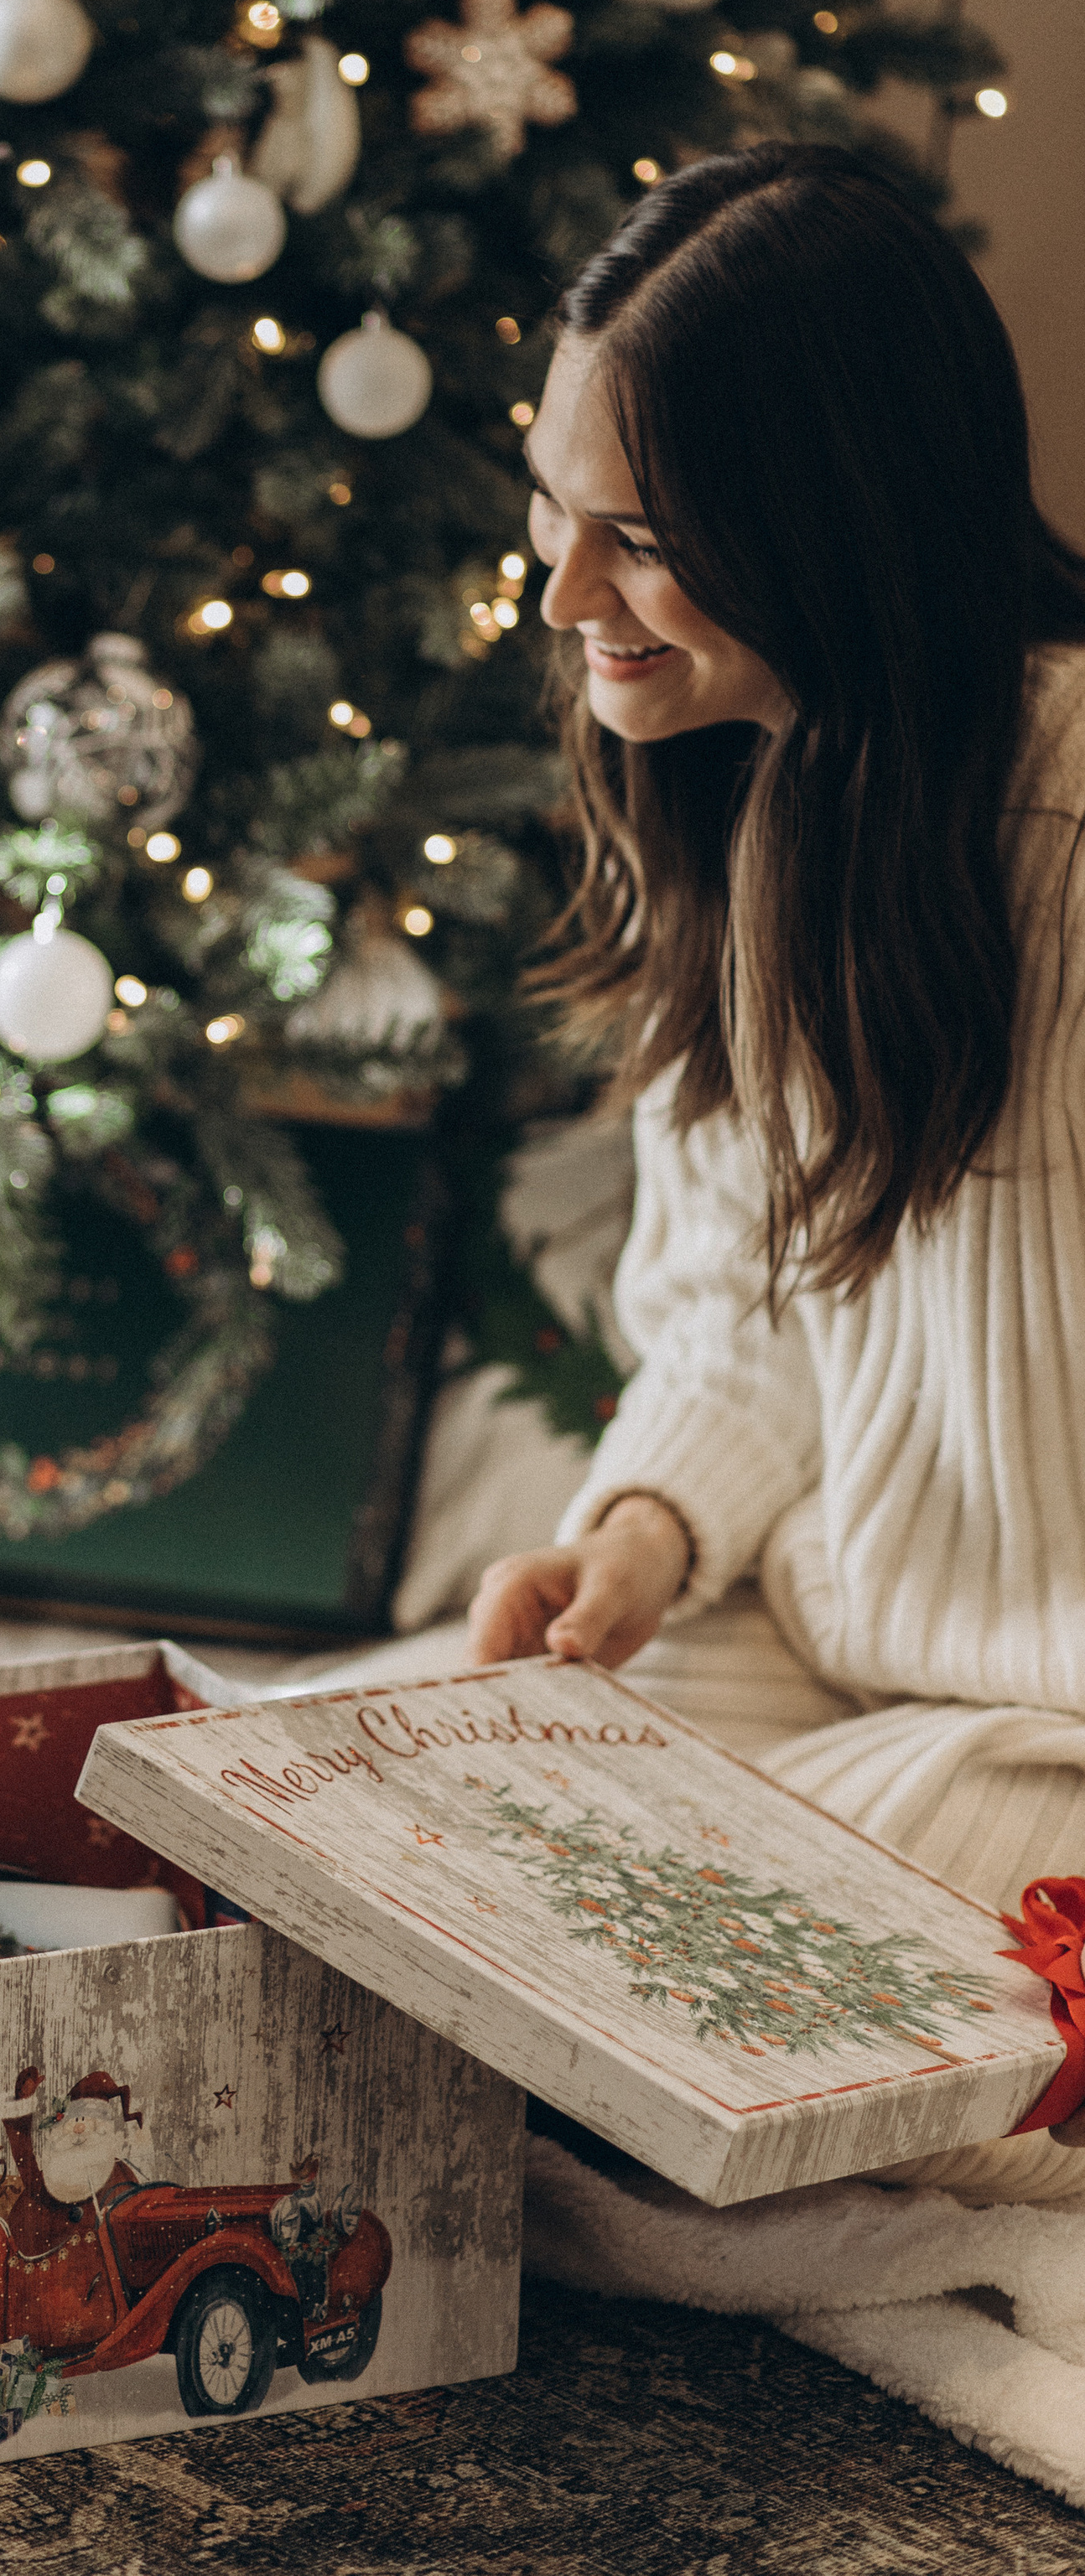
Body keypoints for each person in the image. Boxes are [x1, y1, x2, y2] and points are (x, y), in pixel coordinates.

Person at [464, 140, 1085, 2200]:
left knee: (663, 1997)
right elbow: (734, 1312)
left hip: (1047, 1743)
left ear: (826, 530)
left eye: (634, 536)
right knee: (356, 1801)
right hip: (836, 1651)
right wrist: (639, 1531)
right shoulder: (738, 779)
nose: (561, 598)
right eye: (551, 510)